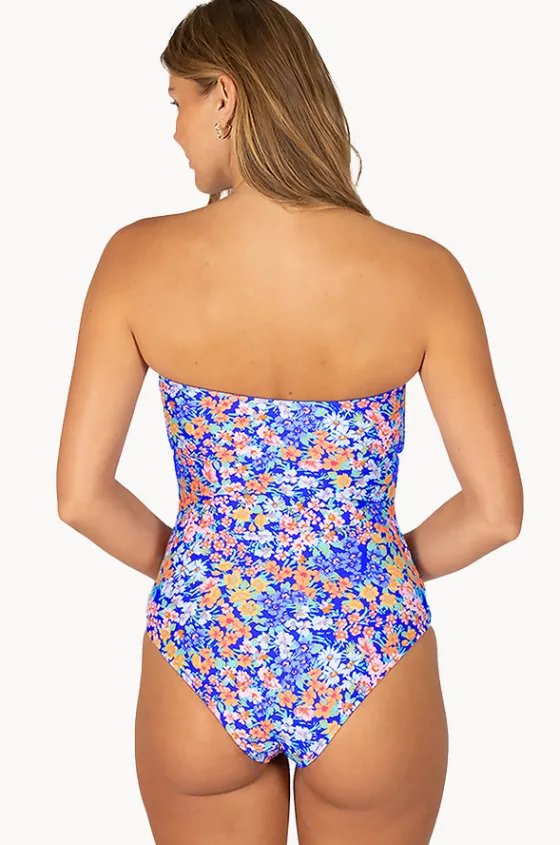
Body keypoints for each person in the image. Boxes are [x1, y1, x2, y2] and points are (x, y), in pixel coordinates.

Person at [56, 1, 523, 843]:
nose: (174, 132)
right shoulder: (425, 273)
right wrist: (375, 570)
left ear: (225, 97)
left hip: (204, 647)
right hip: (370, 650)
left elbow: (80, 497)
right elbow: (496, 513)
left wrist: (207, 569)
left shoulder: (135, 260)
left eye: (178, 102)